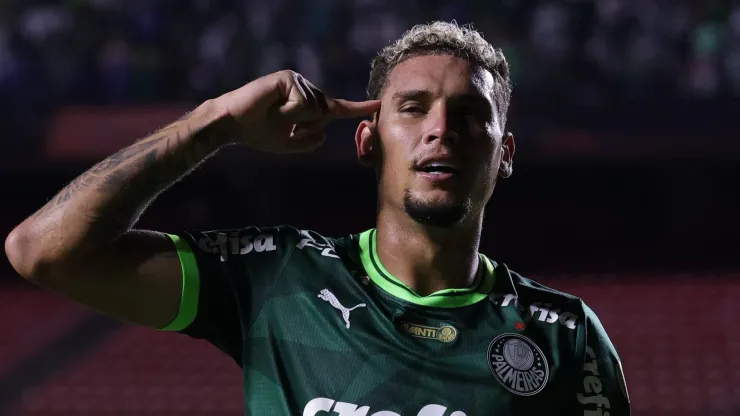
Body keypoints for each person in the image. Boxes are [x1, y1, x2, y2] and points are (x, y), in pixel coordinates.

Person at [5, 21, 630, 415]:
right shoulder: (279, 278)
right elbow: (43, 251)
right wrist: (214, 124)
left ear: (505, 154)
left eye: (469, 114)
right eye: (412, 108)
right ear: (367, 142)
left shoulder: (565, 338)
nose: (441, 130)